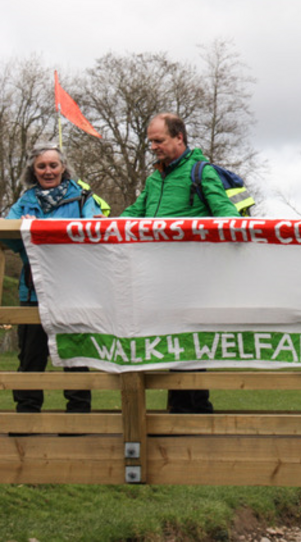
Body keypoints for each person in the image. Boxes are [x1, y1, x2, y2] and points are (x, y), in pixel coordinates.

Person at [122, 113, 240, 413]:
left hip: (191, 278)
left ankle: (197, 412)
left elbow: (229, 215)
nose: (153, 147)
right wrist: (102, 225)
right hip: (155, 278)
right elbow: (133, 214)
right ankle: (179, 413)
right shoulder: (153, 179)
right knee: (167, 345)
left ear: (179, 138)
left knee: (189, 344)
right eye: (150, 141)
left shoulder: (202, 172)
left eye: (158, 140)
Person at [5, 145, 103, 417]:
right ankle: (27, 418)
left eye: (53, 165)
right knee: (30, 357)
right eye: (41, 166)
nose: (48, 171)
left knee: (75, 356)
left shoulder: (82, 199)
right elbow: (7, 236)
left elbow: (94, 234)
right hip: (33, 291)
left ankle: (78, 418)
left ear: (63, 168)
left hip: (72, 290)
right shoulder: (25, 201)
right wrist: (21, 229)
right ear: (32, 171)